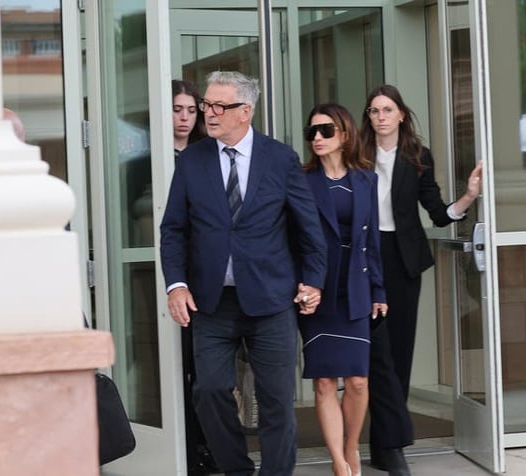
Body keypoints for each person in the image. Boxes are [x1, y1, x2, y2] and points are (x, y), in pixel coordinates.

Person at [160, 70, 327, 476]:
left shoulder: (280, 158)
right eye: (207, 105)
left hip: (271, 300)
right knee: (210, 391)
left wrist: (314, 280)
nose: (210, 113)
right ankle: (237, 469)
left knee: (276, 401)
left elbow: (308, 227)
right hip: (212, 302)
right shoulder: (193, 160)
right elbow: (173, 229)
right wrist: (176, 284)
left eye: (220, 106)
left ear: (245, 111)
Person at [360, 84, 482, 475]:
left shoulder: (416, 157)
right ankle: (389, 443)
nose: (380, 116)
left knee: (397, 355)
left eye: (386, 110)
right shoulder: (356, 155)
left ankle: (386, 444)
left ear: (400, 115)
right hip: (363, 258)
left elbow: (438, 212)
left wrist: (468, 197)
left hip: (401, 261)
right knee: (372, 355)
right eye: (374, 111)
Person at [299, 103, 388, 476]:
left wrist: (378, 290)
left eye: (326, 131)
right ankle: (338, 460)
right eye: (312, 132)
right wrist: (302, 285)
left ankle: (352, 446)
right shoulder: (302, 181)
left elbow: (373, 242)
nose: (317, 138)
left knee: (357, 379)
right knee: (324, 380)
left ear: (345, 135)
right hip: (317, 287)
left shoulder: (366, 180)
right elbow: (292, 237)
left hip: (354, 285)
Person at [170, 79, 218, 476]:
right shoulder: (151, 159)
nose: (184, 118)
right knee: (171, 367)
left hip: (204, 280)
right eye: (177, 109)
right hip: (161, 274)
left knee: (203, 373)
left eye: (191, 110)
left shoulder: (208, 156)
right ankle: (181, 448)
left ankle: (207, 446)